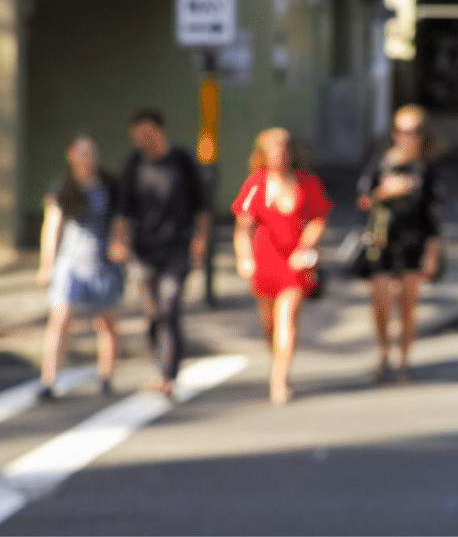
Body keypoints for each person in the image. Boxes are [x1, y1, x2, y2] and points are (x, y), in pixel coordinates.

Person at [110, 109, 211, 397]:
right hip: (143, 249)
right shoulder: (133, 164)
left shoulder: (181, 160)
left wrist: (200, 240)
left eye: (147, 134)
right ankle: (159, 366)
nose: (143, 141)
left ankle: (169, 371)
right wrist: (118, 240)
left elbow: (202, 205)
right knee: (152, 312)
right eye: (138, 136)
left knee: (170, 303)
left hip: (177, 246)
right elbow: (123, 209)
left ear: (160, 130)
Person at [232, 128, 330, 405]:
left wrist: (306, 247)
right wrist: (244, 257)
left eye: (284, 149)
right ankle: (277, 359)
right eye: (273, 149)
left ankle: (279, 379)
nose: (279, 155)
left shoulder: (305, 183)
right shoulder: (255, 185)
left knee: (287, 317)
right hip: (265, 260)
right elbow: (243, 227)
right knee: (270, 324)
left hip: (294, 261)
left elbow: (317, 219)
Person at [356, 105, 446, 384]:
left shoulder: (426, 169)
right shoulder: (380, 163)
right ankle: (383, 352)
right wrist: (385, 191)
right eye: (404, 131)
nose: (409, 137)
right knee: (381, 302)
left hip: (414, 241)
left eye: (415, 132)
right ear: (395, 134)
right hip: (382, 241)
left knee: (407, 305)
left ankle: (403, 361)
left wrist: (433, 253)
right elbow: (363, 200)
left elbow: (434, 215)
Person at [36, 136, 124, 400]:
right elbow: (52, 227)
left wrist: (120, 243)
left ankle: (106, 377)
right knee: (60, 319)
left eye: (91, 153)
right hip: (71, 263)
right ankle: (49, 379)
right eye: (81, 154)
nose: (87, 159)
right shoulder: (64, 187)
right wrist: (46, 265)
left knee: (106, 322)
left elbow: (120, 219)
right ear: (72, 157)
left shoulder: (108, 185)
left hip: (103, 264)